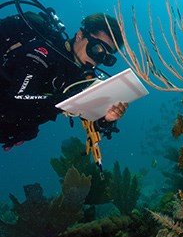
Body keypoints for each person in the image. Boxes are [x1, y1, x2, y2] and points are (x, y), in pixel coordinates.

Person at [0, 12, 128, 151]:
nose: (98, 59)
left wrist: (106, 119)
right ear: (80, 35)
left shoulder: (83, 78)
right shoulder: (42, 52)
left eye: (106, 58)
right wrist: (63, 102)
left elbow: (91, 122)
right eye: (97, 49)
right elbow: (13, 103)